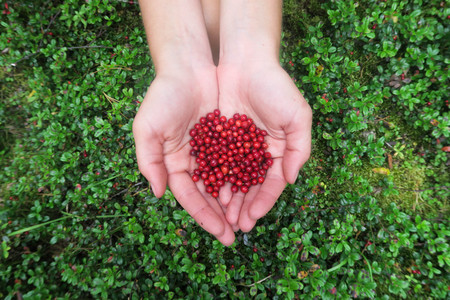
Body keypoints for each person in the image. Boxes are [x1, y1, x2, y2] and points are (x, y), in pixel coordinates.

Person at [132, 0, 312, 246]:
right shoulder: (221, 146)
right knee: (209, 19)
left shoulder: (231, 148)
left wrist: (252, 55)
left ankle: (220, 44)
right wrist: (179, 65)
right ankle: (210, 46)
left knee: (214, 19)